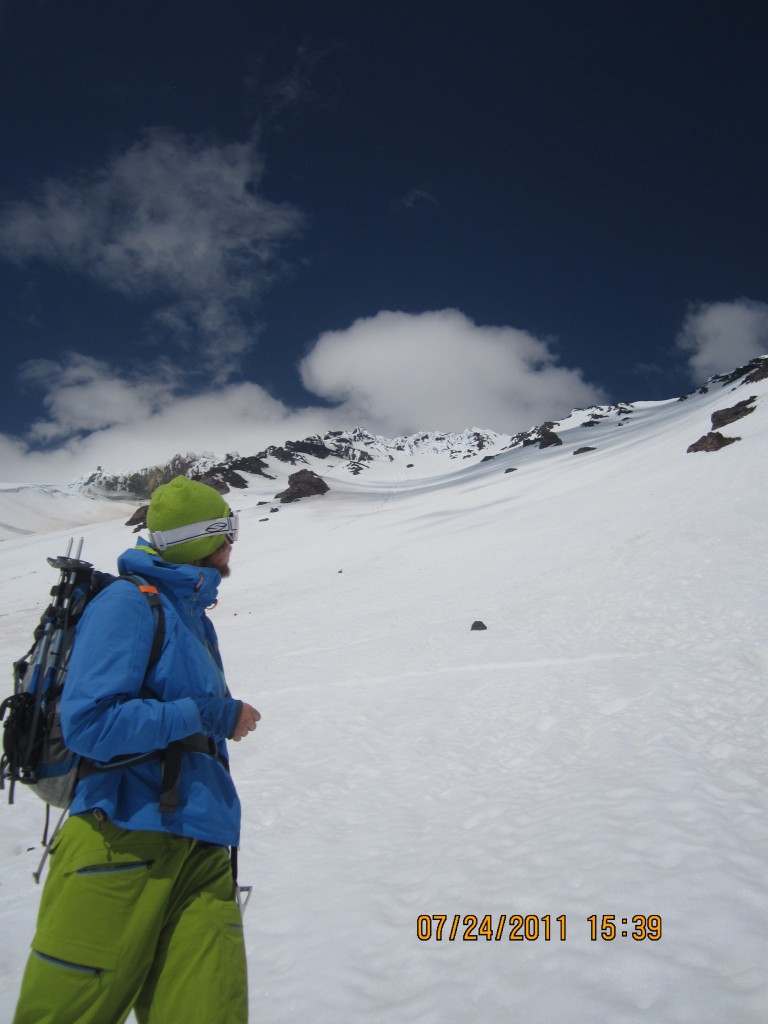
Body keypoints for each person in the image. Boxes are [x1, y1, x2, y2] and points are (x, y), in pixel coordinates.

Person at [13, 476, 260, 1024]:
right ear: (202, 540)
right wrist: (214, 714)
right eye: (228, 532)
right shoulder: (126, 605)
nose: (233, 546)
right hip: (119, 840)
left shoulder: (193, 618)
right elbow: (91, 724)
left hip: (203, 842)